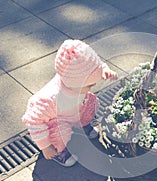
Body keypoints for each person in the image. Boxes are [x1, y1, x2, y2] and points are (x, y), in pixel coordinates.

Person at [22, 39, 118, 167]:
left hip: (74, 109)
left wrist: (104, 71)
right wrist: (45, 146)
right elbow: (34, 121)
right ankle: (59, 152)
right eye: (89, 85)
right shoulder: (50, 99)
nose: (93, 86)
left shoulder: (78, 76)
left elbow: (94, 66)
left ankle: (83, 125)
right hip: (57, 119)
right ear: (75, 82)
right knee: (60, 132)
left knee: (90, 102)